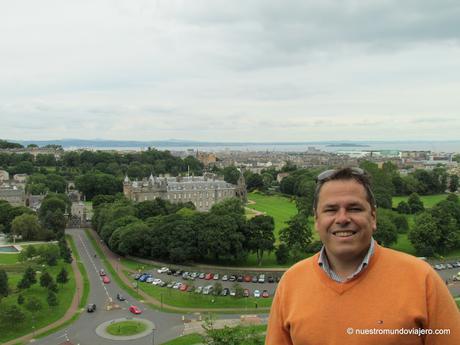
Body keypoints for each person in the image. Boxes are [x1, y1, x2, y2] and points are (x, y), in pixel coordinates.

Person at [265, 167, 460, 345]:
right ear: (317, 220)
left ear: (373, 217)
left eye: (354, 208)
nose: (342, 218)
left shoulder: (421, 278)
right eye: (331, 210)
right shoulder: (291, 282)